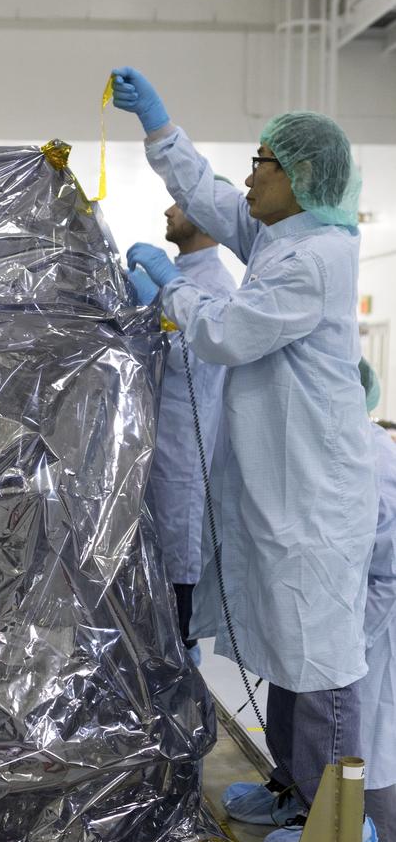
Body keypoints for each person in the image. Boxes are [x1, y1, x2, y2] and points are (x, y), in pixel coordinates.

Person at [111, 65, 378, 842]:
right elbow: (205, 192)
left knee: (318, 663)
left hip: (313, 497)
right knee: (286, 654)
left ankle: (337, 827)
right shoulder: (278, 236)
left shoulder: (313, 257)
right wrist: (157, 125)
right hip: (279, 492)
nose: (250, 176)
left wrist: (170, 289)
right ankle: (294, 789)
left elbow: (227, 334)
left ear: (299, 177)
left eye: (263, 163)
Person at [127, 203, 235, 666]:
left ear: (208, 215)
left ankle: (183, 681)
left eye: (182, 202)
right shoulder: (183, 279)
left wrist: (153, 314)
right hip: (153, 458)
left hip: (184, 464)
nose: (168, 209)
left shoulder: (217, 287)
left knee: (176, 591)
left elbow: (190, 360)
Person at [357, 359, 396, 842]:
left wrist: (353, 636)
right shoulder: (360, 446)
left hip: (381, 615)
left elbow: (386, 564)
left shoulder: (370, 454)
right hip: (372, 609)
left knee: (377, 730)